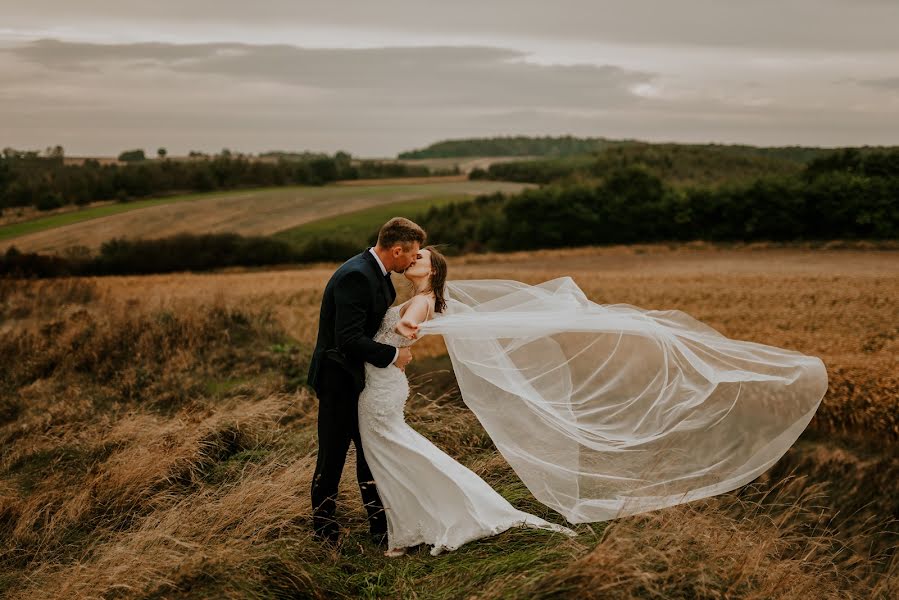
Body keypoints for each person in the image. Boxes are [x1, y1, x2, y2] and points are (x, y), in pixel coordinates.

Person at [357, 246, 576, 557]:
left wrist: (403, 330)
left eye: (420, 257)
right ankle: (411, 528)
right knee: (394, 456)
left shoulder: (421, 301)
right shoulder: (424, 298)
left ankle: (420, 527)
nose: (412, 258)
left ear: (432, 270)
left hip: (380, 389)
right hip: (383, 384)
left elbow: (409, 326)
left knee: (394, 456)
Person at [307, 217, 425, 543]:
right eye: (412, 254)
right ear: (396, 249)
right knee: (332, 455)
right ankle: (325, 533)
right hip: (337, 379)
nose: (415, 260)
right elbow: (347, 339)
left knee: (369, 453)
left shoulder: (380, 276)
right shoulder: (356, 276)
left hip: (361, 380)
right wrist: (392, 356)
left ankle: (379, 527)